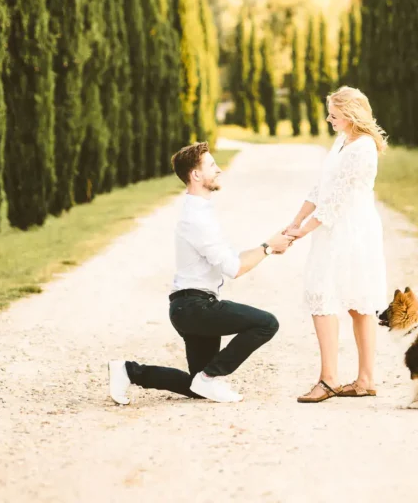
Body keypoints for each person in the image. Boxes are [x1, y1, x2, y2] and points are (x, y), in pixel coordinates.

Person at [108, 142, 292, 405]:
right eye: (212, 166)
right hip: (195, 308)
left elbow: (232, 260)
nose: (219, 170)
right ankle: (210, 377)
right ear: (195, 175)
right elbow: (234, 269)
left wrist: (270, 246)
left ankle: (128, 371)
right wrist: (268, 248)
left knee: (197, 387)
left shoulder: (202, 213)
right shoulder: (196, 219)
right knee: (267, 323)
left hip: (190, 307)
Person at [284, 86, 388, 402]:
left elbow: (336, 202)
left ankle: (350, 380)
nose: (329, 119)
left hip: (352, 231)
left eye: (334, 114)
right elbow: (321, 187)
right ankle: (343, 379)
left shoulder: (363, 149)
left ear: (350, 113)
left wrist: (303, 232)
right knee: (324, 293)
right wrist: (295, 220)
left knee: (354, 301)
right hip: (331, 229)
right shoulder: (342, 141)